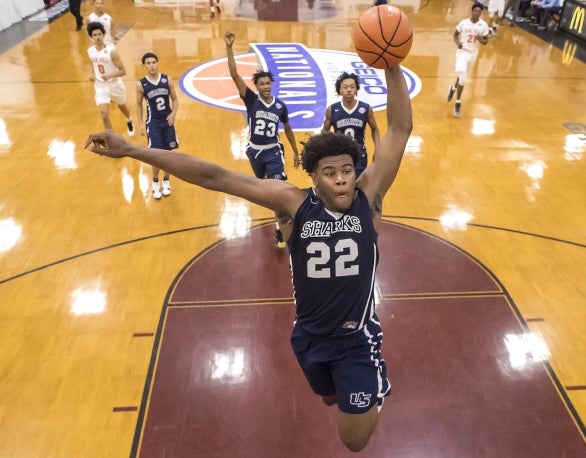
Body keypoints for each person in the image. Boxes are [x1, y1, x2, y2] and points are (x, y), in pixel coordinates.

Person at [85, 63, 412, 452]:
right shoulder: (291, 203)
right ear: (313, 177)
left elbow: (398, 130)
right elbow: (215, 176)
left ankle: (372, 383)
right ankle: (348, 388)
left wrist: (391, 65)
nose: (341, 179)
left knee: (354, 440)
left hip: (357, 339)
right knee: (327, 396)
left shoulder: (368, 198)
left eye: (346, 170)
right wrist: (134, 150)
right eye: (330, 172)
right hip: (308, 337)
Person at [224, 30, 300, 248]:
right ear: (256, 86)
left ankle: (280, 228)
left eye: (268, 83)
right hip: (254, 151)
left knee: (277, 188)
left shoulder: (280, 106)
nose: (265, 86)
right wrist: (229, 48)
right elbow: (235, 76)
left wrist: (295, 152)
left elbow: (288, 128)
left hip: (274, 150)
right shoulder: (251, 100)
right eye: (262, 84)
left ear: (272, 84)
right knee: (263, 189)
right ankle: (278, 214)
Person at [136, 52, 179, 200]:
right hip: (153, 123)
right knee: (156, 154)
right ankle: (155, 182)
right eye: (148, 63)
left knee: (168, 154)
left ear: (157, 63)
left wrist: (173, 113)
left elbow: (175, 100)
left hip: (167, 122)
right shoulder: (141, 84)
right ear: (145, 65)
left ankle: (166, 181)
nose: (152, 65)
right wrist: (141, 123)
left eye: (154, 62)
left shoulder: (167, 79)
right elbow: (138, 104)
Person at [321, 72, 380, 177]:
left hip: (359, 154)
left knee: (358, 186)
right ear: (340, 90)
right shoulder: (332, 109)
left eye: (352, 87)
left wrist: (378, 149)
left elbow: (374, 129)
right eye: (345, 87)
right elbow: (325, 131)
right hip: (339, 155)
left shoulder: (366, 108)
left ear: (356, 89)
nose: (349, 90)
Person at [87, 22, 135, 136]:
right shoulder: (90, 51)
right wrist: (92, 74)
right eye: (95, 35)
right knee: (104, 114)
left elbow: (123, 71)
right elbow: (93, 63)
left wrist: (110, 76)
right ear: (91, 37)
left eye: (99, 34)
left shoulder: (111, 51)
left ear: (103, 35)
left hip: (114, 85)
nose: (98, 37)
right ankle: (111, 138)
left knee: (122, 106)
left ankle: (129, 119)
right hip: (100, 86)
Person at [446, 2, 489, 118]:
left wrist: (480, 39)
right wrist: (457, 43)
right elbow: (455, 34)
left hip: (473, 54)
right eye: (475, 11)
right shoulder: (464, 23)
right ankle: (458, 103)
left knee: (461, 77)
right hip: (462, 53)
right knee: (463, 79)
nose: (477, 13)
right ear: (472, 11)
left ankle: (453, 88)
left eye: (479, 12)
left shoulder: (483, 25)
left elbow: (486, 41)